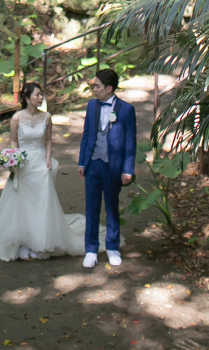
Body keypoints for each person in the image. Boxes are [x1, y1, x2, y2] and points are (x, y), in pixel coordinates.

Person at [0, 81, 86, 262]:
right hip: (24, 161)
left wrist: (48, 158)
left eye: (41, 95)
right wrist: (14, 159)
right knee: (22, 200)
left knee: (41, 200)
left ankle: (40, 241)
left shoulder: (47, 117)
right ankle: (22, 240)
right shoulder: (17, 118)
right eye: (37, 95)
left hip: (40, 160)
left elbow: (48, 140)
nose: (40, 98)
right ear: (27, 98)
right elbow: (14, 141)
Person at [77, 68, 136, 269]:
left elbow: (130, 142)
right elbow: (86, 135)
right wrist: (82, 162)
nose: (94, 90)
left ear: (109, 88)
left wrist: (128, 169)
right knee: (91, 208)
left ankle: (112, 247)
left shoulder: (127, 110)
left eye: (97, 86)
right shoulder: (92, 106)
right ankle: (91, 250)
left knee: (111, 208)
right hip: (93, 163)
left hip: (113, 166)